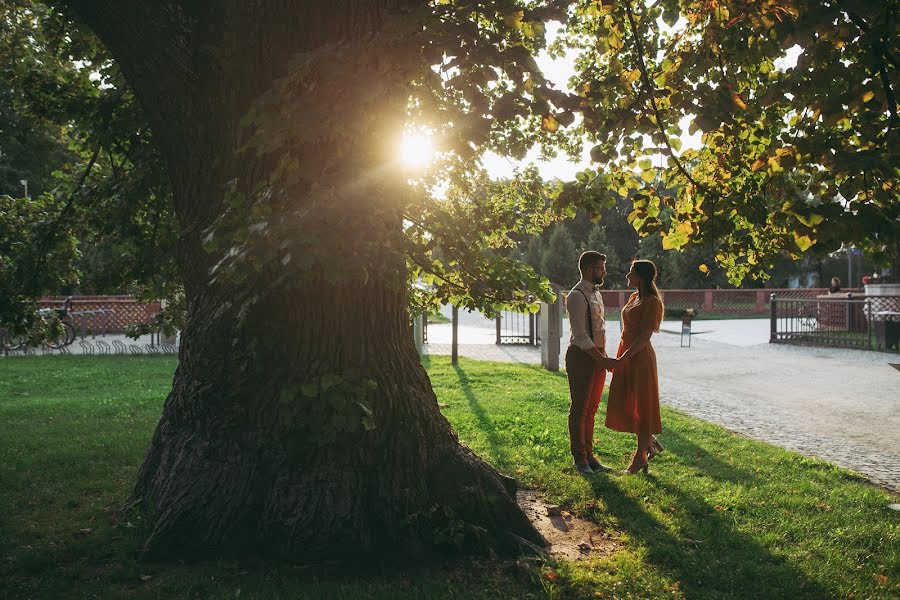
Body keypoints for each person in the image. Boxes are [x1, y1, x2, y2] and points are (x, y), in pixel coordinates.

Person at [605, 260, 665, 475]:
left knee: (643, 405)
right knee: (624, 401)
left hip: (640, 358)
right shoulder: (634, 297)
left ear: (640, 276)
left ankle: (640, 456)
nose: (627, 275)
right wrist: (620, 356)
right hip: (626, 354)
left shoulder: (652, 302)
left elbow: (643, 337)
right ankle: (648, 443)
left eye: (630, 272)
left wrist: (623, 359)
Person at [565, 251, 618, 475]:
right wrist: (602, 359)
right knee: (580, 409)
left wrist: (603, 355)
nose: (604, 271)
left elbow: (598, 330)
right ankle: (580, 459)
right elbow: (580, 335)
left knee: (592, 409)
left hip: (598, 356)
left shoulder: (597, 294)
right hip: (581, 357)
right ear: (588, 269)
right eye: (600, 267)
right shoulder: (577, 295)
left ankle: (590, 455)